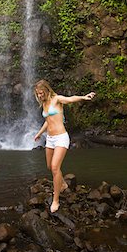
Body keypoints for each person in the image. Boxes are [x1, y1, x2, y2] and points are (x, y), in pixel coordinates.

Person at [34, 79, 96, 213]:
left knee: (55, 167)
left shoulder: (56, 99)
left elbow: (70, 99)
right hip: (49, 139)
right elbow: (47, 121)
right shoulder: (44, 104)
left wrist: (84, 97)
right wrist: (39, 133)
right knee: (50, 166)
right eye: (37, 94)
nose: (39, 96)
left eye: (41, 93)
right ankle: (62, 183)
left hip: (61, 137)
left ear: (46, 90)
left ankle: (56, 199)